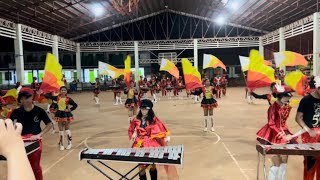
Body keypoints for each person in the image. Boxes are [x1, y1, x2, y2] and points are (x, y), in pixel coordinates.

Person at [9, 87, 53, 180]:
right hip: (20, 141)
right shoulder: (16, 112)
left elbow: (49, 124)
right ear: (20, 100)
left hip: (35, 141)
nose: (26, 100)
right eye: (23, 98)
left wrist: (39, 135)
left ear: (32, 98)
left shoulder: (39, 111)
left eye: (28, 97)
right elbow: (9, 125)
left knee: (35, 166)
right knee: (21, 166)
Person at [128, 99, 177, 180]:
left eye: (145, 109)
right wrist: (133, 136)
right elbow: (132, 130)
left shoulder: (153, 119)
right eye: (142, 109)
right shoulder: (136, 119)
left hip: (151, 144)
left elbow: (160, 127)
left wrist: (165, 136)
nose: (143, 111)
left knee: (152, 165)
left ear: (149, 110)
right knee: (141, 166)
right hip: (139, 144)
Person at [256, 84, 297, 180]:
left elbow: (283, 121)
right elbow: (271, 123)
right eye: (287, 97)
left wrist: (286, 134)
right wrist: (282, 136)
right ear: (280, 96)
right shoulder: (273, 107)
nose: (288, 99)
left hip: (284, 131)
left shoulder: (285, 105)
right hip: (274, 133)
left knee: (285, 158)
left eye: (289, 97)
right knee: (277, 160)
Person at [295, 76, 320, 180]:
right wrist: (308, 130)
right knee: (310, 163)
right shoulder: (306, 100)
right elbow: (298, 118)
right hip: (310, 135)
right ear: (318, 88)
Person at [44, 86, 78, 151]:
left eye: (65, 90)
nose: (63, 91)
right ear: (60, 91)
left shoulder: (68, 99)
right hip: (59, 114)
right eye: (62, 90)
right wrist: (43, 93)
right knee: (60, 130)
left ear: (66, 91)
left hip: (66, 114)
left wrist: (69, 109)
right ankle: (61, 144)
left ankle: (69, 143)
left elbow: (75, 105)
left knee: (67, 129)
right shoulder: (57, 98)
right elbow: (49, 96)